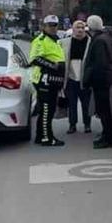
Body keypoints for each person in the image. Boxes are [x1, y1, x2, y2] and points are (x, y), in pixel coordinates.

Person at [28, 15, 67, 146]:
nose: (53, 28)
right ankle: (47, 138)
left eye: (55, 25)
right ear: (43, 26)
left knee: (48, 109)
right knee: (46, 110)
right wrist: (54, 66)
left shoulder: (55, 40)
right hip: (43, 79)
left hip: (53, 80)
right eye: (50, 25)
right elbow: (34, 59)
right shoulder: (40, 40)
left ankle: (40, 136)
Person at [82, 15, 112, 149]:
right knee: (105, 110)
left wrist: (90, 79)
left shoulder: (99, 41)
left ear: (91, 27)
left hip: (101, 81)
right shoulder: (106, 38)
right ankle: (106, 136)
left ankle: (108, 139)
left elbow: (99, 64)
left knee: (104, 111)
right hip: (105, 80)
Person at [60, 19, 92, 134]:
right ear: (73, 29)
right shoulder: (65, 43)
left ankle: (87, 124)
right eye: (77, 28)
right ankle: (72, 125)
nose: (80, 30)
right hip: (71, 78)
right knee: (72, 103)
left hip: (85, 78)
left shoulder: (90, 42)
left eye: (82, 28)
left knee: (86, 103)